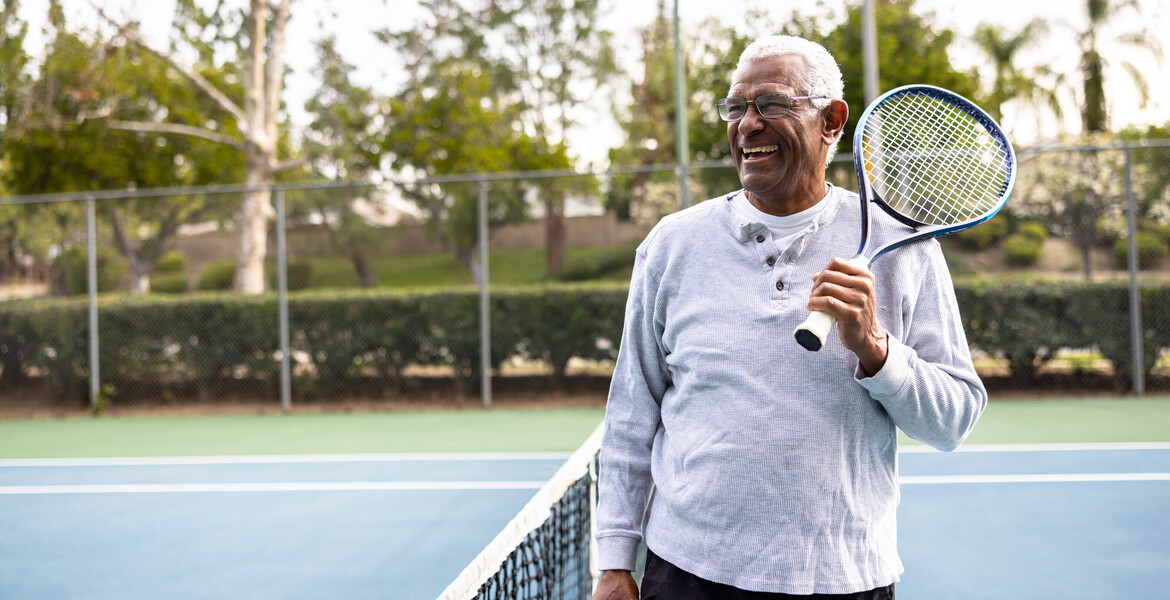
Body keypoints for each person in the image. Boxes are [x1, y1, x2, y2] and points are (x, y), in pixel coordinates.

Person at [592, 34, 987, 600]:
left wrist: (874, 347)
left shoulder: (905, 248)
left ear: (832, 120)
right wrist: (613, 562)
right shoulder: (671, 246)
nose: (747, 124)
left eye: (771, 104)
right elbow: (632, 414)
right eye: (736, 107)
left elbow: (954, 421)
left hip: (842, 575)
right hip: (686, 572)